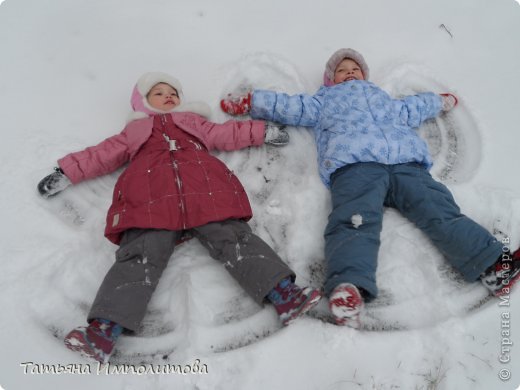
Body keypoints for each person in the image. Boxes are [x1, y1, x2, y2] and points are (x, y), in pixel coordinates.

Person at [220, 48, 520, 328]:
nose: (349, 73)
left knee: (440, 212)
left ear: (365, 75)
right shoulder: (323, 101)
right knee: (354, 221)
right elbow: (290, 106)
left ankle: (492, 265)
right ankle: (348, 287)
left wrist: (438, 102)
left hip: (406, 165)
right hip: (355, 166)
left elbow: (411, 108)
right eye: (342, 70)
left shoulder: (383, 100)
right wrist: (253, 101)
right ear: (330, 79)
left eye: (355, 69)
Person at [37, 72, 321, 362]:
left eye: (173, 92)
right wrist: (67, 171)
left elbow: (226, 134)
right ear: (144, 102)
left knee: (235, 240)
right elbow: (101, 154)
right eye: (159, 93)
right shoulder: (134, 132)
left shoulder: (193, 122)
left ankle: (285, 295)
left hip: (205, 195)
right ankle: (103, 332)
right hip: (151, 203)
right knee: (139, 259)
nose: (168, 96)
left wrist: (262, 132)